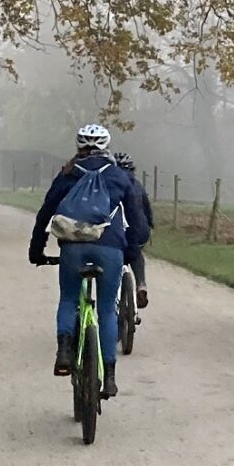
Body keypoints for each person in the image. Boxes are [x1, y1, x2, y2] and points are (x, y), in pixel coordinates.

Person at [30, 124, 149, 398]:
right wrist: (132, 251)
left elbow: (45, 214)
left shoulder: (68, 173)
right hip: (110, 248)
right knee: (107, 310)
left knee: (69, 299)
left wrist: (36, 250)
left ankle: (63, 353)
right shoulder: (119, 176)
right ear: (106, 146)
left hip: (72, 248)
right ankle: (110, 377)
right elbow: (138, 223)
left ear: (78, 147)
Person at [113, 153, 154, 308]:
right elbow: (147, 210)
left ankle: (113, 293)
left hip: (117, 231)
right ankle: (141, 284)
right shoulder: (137, 186)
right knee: (136, 253)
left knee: (113, 256)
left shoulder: (109, 185)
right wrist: (150, 225)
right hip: (140, 231)